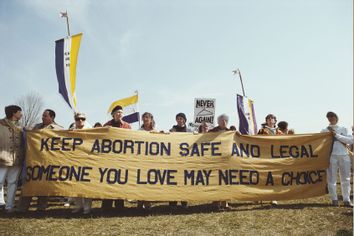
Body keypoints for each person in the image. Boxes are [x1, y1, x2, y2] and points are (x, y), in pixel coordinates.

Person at [18, 109, 63, 212]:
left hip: (48, 162)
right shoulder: (35, 127)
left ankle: (41, 208)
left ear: (51, 118)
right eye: (42, 116)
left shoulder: (58, 129)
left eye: (45, 116)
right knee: (29, 183)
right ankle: (22, 208)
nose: (43, 117)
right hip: (34, 161)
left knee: (44, 185)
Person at [102, 105, 131, 210]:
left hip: (121, 158)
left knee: (120, 180)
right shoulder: (106, 125)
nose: (120, 114)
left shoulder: (127, 126)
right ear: (113, 114)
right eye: (118, 112)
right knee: (107, 180)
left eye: (121, 112)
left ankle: (119, 205)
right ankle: (107, 205)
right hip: (109, 158)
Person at [321, 111, 353, 207]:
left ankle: (346, 200)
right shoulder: (324, 130)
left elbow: (350, 140)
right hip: (331, 156)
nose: (330, 118)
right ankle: (334, 199)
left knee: (346, 178)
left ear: (336, 117)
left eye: (332, 116)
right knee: (331, 179)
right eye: (328, 117)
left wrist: (336, 135)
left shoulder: (344, 128)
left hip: (344, 155)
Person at [0, 105, 24, 213]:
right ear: (14, 113)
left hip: (16, 160)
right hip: (2, 158)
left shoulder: (21, 128)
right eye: (20, 112)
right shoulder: (0, 124)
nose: (21, 114)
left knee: (12, 183)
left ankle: (9, 206)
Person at [70, 112, 93, 214]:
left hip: (86, 161)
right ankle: (78, 206)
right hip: (74, 160)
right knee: (75, 184)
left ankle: (87, 208)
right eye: (78, 119)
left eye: (83, 119)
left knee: (86, 185)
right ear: (75, 120)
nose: (80, 121)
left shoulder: (91, 131)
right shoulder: (71, 131)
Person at [208, 114, 231, 210]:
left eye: (225, 120)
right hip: (215, 160)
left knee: (226, 181)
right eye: (222, 120)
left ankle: (225, 203)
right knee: (216, 181)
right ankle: (216, 202)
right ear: (218, 122)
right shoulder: (212, 132)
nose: (224, 122)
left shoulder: (231, 132)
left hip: (226, 161)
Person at [257, 114, 281, 206]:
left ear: (275, 121)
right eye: (268, 119)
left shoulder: (279, 132)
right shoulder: (262, 131)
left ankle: (273, 197)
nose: (270, 120)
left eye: (272, 119)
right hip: (265, 156)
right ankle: (261, 195)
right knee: (264, 177)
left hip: (276, 157)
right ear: (266, 121)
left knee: (274, 177)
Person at [169, 113, 191, 209]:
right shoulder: (172, 130)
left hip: (185, 160)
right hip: (174, 159)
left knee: (184, 181)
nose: (179, 120)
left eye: (181, 118)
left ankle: (184, 201)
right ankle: (173, 202)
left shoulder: (189, 131)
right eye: (177, 118)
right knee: (173, 181)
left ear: (184, 120)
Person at [136, 112, 156, 210]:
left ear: (151, 119)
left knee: (149, 182)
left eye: (147, 117)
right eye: (144, 118)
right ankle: (140, 202)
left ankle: (148, 202)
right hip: (141, 160)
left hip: (151, 161)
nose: (145, 119)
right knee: (140, 181)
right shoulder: (139, 131)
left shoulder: (155, 131)